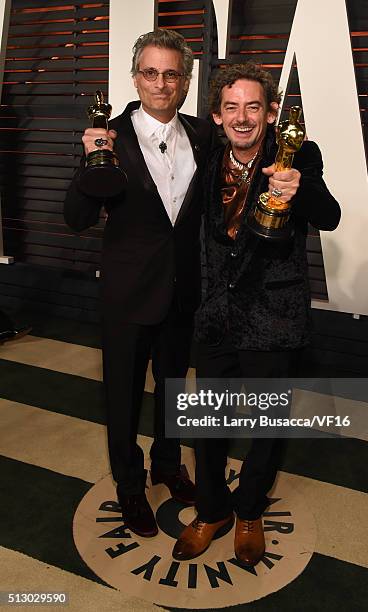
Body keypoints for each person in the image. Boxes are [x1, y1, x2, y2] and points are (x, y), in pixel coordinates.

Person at [172, 63, 341, 566]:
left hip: (273, 313)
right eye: (231, 107)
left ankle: (248, 513)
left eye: (252, 106)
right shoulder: (207, 154)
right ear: (217, 115)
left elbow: (328, 215)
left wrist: (298, 190)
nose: (241, 118)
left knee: (266, 425)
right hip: (217, 313)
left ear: (270, 113)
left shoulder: (297, 155)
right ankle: (211, 510)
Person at [64, 29, 220, 538]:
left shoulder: (202, 134)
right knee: (123, 399)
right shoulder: (107, 137)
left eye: (171, 74)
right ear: (136, 77)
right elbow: (76, 218)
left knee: (174, 393)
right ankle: (130, 486)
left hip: (182, 294)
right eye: (150, 73)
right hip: (127, 298)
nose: (160, 83)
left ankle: (168, 465)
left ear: (185, 81)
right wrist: (86, 163)